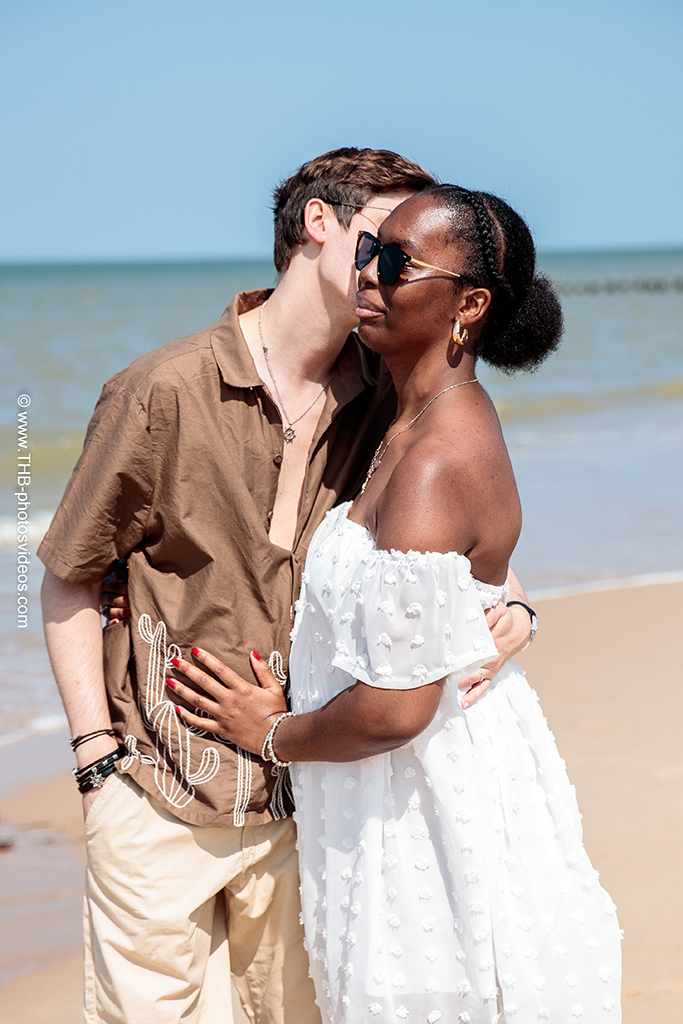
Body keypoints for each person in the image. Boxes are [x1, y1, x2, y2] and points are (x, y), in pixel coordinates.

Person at [38, 150, 535, 1024]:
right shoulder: (161, 390)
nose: (387, 270)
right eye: (379, 244)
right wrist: (93, 758)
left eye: (403, 259)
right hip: (156, 792)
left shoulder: (385, 398)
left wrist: (520, 607)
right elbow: (67, 575)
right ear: (319, 226)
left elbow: (447, 548)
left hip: (309, 806)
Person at [168, 185, 623, 1023]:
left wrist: (270, 733)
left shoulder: (431, 460)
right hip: (389, 790)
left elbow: (396, 708)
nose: (367, 275)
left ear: (470, 304)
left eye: (397, 263)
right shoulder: (408, 421)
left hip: (422, 800)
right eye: (368, 252)